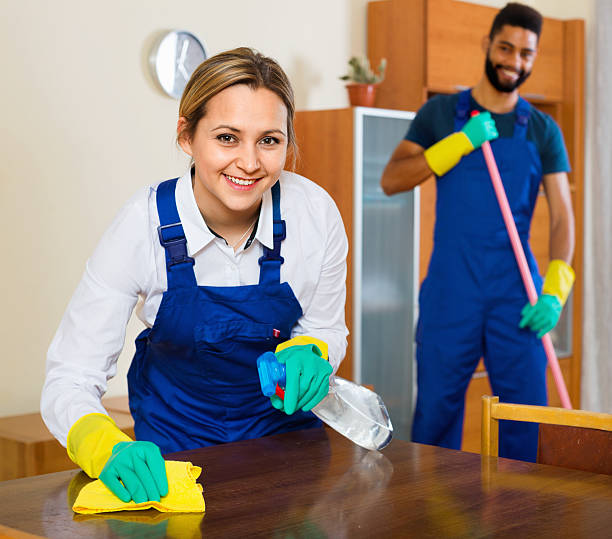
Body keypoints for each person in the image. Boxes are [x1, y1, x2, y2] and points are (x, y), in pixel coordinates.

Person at [41, 47, 348, 503]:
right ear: (186, 135)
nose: (249, 162)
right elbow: (70, 375)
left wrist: (313, 350)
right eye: (227, 137)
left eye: (269, 140)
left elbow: (326, 328)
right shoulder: (141, 226)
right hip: (173, 459)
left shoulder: (314, 214)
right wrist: (101, 446)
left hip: (288, 454)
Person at [380, 3, 575, 462]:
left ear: (534, 57)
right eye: (505, 47)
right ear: (488, 45)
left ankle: (520, 522)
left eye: (526, 53)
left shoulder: (543, 130)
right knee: (436, 415)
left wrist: (555, 292)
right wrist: (459, 142)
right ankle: (430, 523)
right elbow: (392, 179)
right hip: (452, 291)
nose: (514, 61)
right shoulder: (442, 113)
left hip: (519, 295)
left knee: (527, 418)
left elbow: (564, 215)